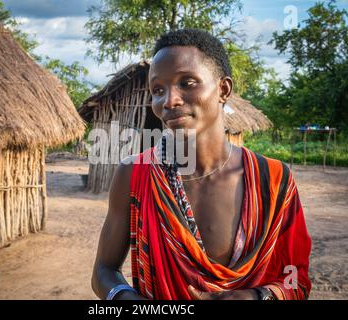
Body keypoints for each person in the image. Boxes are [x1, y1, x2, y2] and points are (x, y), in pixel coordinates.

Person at [91, 28, 312, 300]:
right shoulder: (134, 174)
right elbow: (103, 270)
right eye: (157, 89)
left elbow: (296, 277)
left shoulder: (274, 180)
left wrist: (255, 297)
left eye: (187, 82)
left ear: (223, 89)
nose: (168, 100)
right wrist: (129, 300)